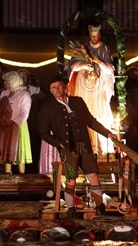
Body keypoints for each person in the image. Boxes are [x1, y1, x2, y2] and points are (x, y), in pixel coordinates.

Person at [38, 75, 117, 217]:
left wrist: (108, 134)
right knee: (71, 180)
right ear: (50, 91)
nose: (57, 89)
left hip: (84, 145)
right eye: (53, 88)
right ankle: (71, 210)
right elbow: (43, 133)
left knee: (93, 176)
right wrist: (58, 143)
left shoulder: (77, 102)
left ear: (65, 86)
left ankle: (100, 208)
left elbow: (91, 121)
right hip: (68, 149)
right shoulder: (47, 108)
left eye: (59, 86)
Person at [67, 24, 115, 154]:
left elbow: (110, 70)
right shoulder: (84, 48)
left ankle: (99, 146)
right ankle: (84, 145)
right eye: (92, 36)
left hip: (99, 88)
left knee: (98, 114)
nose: (94, 38)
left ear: (99, 35)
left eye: (96, 36)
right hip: (84, 87)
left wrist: (99, 63)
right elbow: (71, 66)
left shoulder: (105, 48)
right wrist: (84, 65)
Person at [0, 71, 32, 174]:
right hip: (5, 126)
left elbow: (25, 112)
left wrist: (15, 123)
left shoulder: (24, 94)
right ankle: (7, 176)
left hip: (17, 127)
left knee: (19, 153)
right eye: (5, 81)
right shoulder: (4, 93)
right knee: (7, 153)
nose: (5, 83)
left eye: (7, 81)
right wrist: (0, 119)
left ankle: (21, 176)